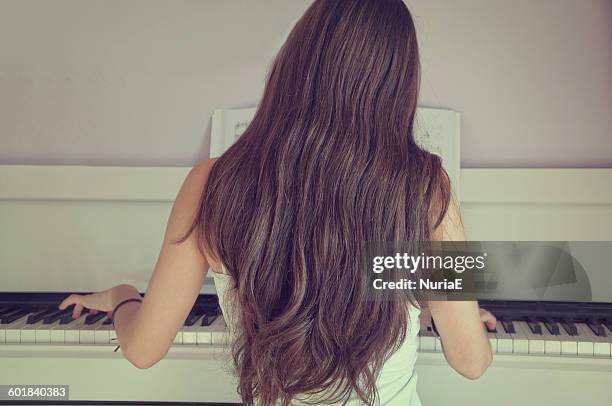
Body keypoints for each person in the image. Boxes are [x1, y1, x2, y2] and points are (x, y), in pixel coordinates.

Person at [59, 0, 495, 404]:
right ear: (397, 84)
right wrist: (449, 308)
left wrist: (122, 296)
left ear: (297, 61)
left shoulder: (211, 183)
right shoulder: (427, 186)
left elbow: (142, 350)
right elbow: (471, 363)